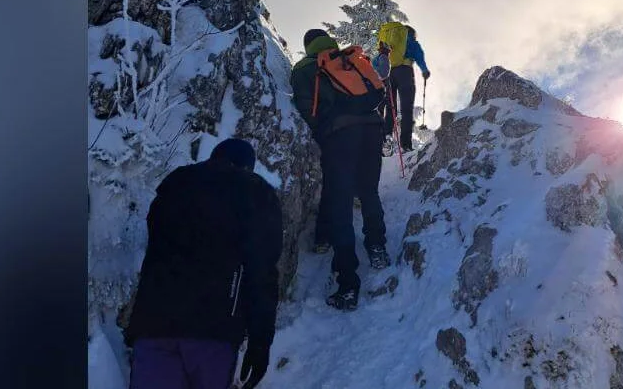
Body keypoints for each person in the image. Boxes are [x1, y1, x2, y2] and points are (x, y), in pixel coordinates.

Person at [125, 138, 282, 389]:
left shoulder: (175, 182)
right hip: (214, 328)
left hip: (154, 323)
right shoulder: (256, 191)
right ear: (247, 167)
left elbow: (154, 246)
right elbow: (262, 273)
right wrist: (260, 343)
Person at [291, 28, 389, 311]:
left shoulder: (306, 68)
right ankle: (377, 246)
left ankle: (347, 283)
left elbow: (305, 108)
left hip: (339, 136)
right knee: (369, 190)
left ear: (308, 45)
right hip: (372, 129)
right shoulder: (349, 60)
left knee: (341, 200)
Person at [382, 25, 430, 152]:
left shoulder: (395, 40)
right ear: (412, 34)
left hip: (391, 74)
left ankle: (387, 137)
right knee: (406, 110)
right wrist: (424, 71)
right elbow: (419, 57)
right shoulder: (413, 43)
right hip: (406, 73)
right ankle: (406, 144)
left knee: (390, 106)